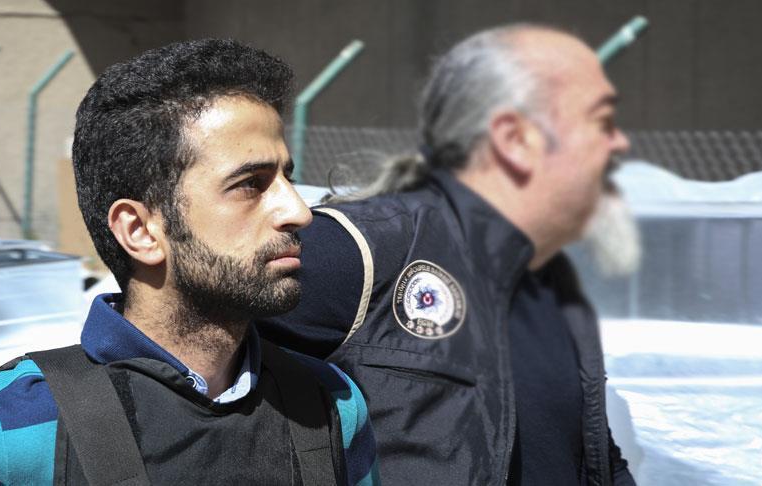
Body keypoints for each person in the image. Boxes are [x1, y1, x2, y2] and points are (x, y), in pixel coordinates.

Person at [0, 39, 378, 485]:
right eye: (250, 183)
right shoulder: (12, 435)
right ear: (140, 231)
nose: (299, 212)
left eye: (287, 179)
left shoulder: (330, 404)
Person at [258, 24, 636, 485]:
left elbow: (596, 458)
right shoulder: (367, 248)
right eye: (598, 121)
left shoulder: (553, 285)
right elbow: (191, 360)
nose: (618, 143)